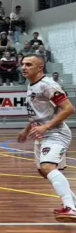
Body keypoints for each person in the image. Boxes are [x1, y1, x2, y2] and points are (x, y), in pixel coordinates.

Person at [17, 53, 76, 221]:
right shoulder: (31, 85)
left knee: (47, 167)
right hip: (41, 133)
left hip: (56, 133)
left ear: (40, 67)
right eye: (23, 64)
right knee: (44, 172)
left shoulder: (48, 85)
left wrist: (46, 127)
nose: (24, 67)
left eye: (29, 64)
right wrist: (26, 129)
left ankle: (70, 208)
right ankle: (73, 203)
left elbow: (68, 109)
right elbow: (39, 114)